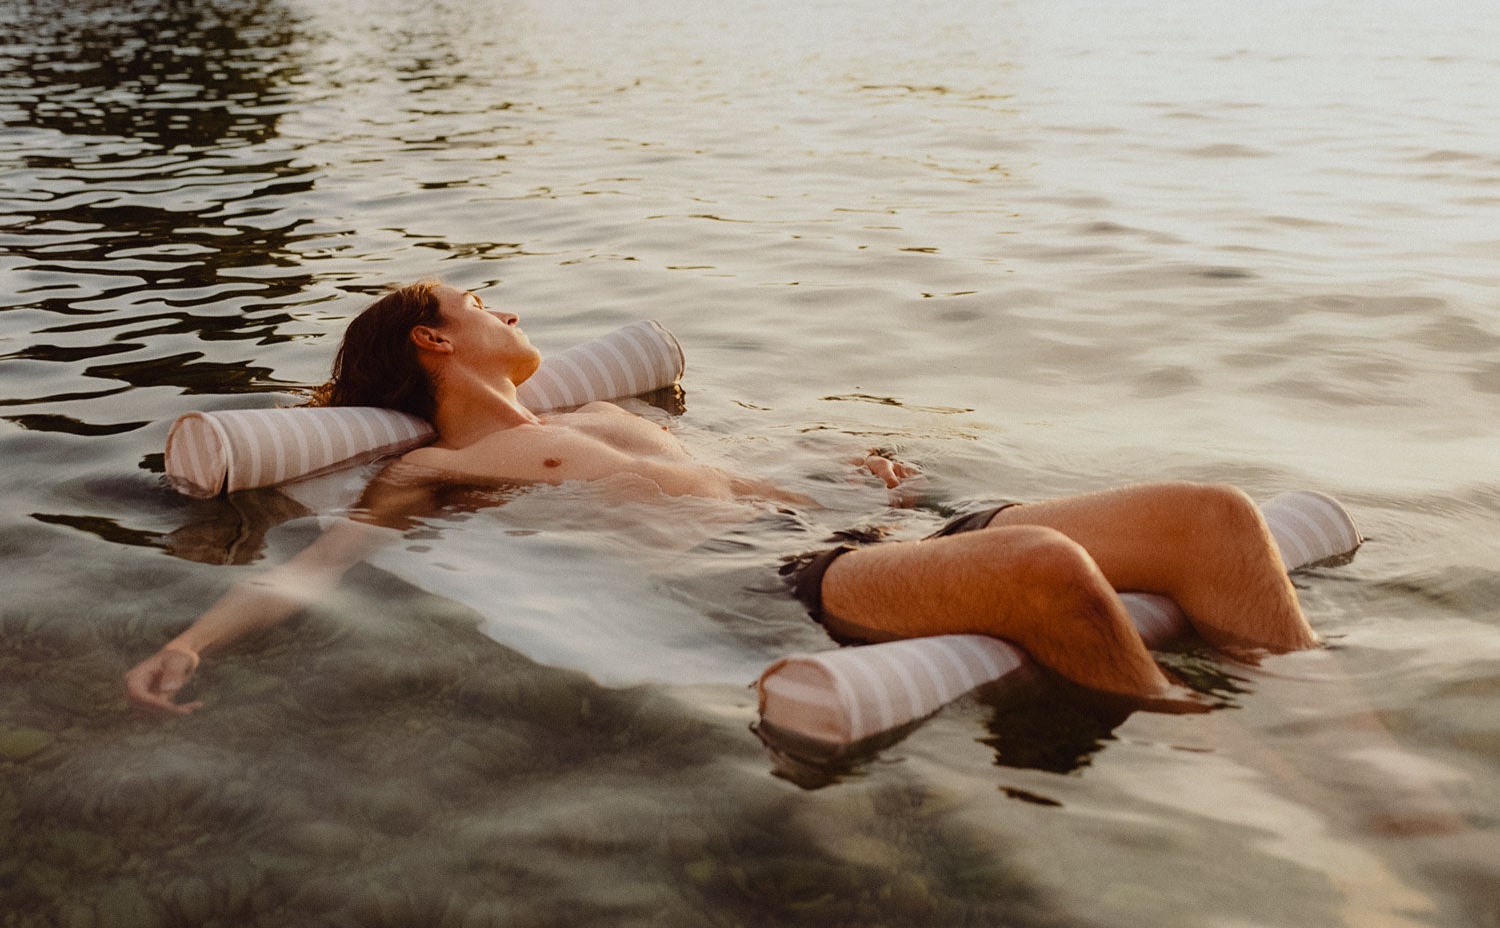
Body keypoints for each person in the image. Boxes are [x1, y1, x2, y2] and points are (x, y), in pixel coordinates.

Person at [125, 280, 1317, 714]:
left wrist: (877, 485)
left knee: (1214, 516)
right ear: (434, 344)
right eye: (490, 300)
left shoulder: (595, 415)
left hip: (855, 531)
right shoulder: (434, 469)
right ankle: (1209, 752)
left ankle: (1330, 735)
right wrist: (191, 640)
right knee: (1051, 567)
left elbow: (745, 471)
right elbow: (319, 567)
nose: (519, 312)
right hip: (787, 584)